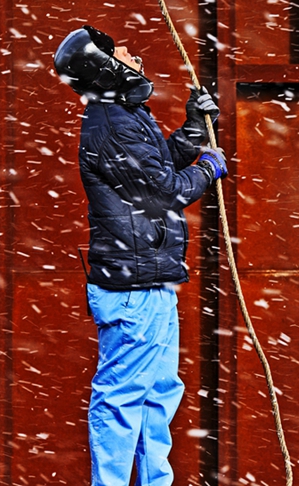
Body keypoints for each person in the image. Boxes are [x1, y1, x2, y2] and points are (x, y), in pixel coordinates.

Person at [54, 24, 227, 486]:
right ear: (105, 68)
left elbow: (154, 169)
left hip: (150, 281)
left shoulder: (123, 115)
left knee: (158, 394)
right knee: (122, 397)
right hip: (134, 288)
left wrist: (194, 130)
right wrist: (207, 169)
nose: (131, 52)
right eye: (119, 51)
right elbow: (164, 192)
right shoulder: (113, 125)